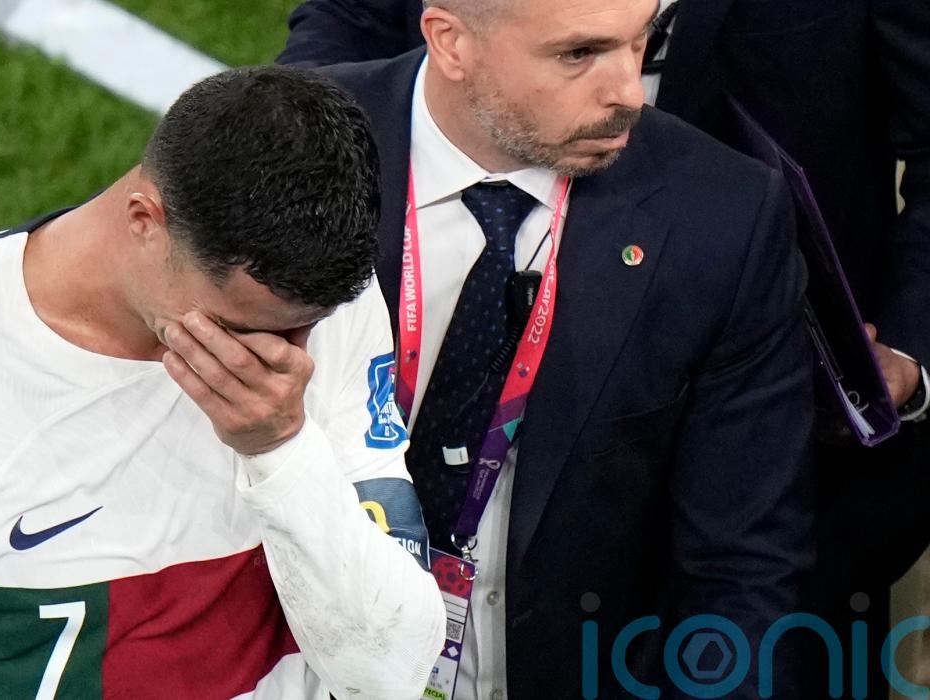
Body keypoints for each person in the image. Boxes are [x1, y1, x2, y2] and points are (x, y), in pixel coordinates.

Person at [279, 0, 930, 694]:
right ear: (450, 41)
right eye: (579, 54)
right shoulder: (293, 157)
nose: (630, 93)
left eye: (640, 42)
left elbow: (740, 576)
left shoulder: (726, 222)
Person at [0, 66, 445, 699]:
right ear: (145, 221)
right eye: (239, 328)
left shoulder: (317, 313)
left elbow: (391, 674)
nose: (284, 361)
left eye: (302, 328)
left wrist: (282, 450)